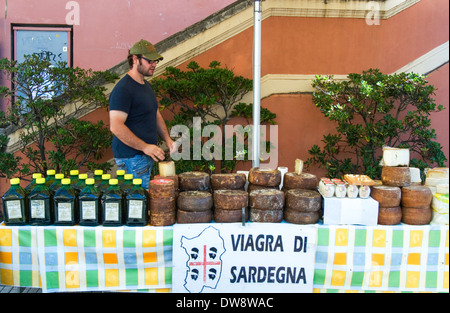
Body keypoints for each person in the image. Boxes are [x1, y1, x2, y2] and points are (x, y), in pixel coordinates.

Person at [109, 39, 176, 189]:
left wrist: (167, 139)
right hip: (131, 158)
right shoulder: (123, 89)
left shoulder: (146, 86)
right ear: (135, 59)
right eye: (149, 60)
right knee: (137, 204)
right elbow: (115, 126)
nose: (154, 64)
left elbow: (155, 114)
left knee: (145, 202)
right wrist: (145, 147)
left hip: (144, 157)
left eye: (156, 61)